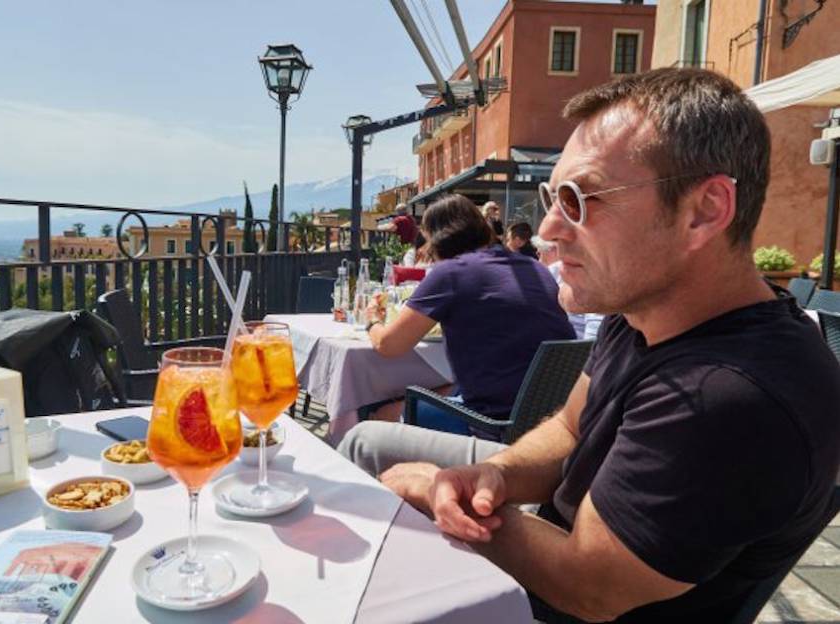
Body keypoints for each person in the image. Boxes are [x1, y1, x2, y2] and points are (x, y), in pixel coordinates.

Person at [339, 68, 840, 622]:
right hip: (550, 540)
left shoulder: (731, 396)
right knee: (368, 452)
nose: (548, 228)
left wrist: (440, 492)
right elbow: (571, 428)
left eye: (580, 198)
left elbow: (588, 585)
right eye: (551, 195)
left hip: (546, 607)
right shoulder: (650, 308)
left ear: (705, 210)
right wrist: (497, 478)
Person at [363, 194, 574, 436]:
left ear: (436, 238)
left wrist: (372, 320)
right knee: (441, 387)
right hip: (553, 418)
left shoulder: (450, 273)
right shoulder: (535, 268)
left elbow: (388, 345)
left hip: (492, 424)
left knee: (377, 414)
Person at [534, 235, 604, 339]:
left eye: (540, 254)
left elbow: (595, 332)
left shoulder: (551, 273)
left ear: (555, 250)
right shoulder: (552, 274)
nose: (539, 261)